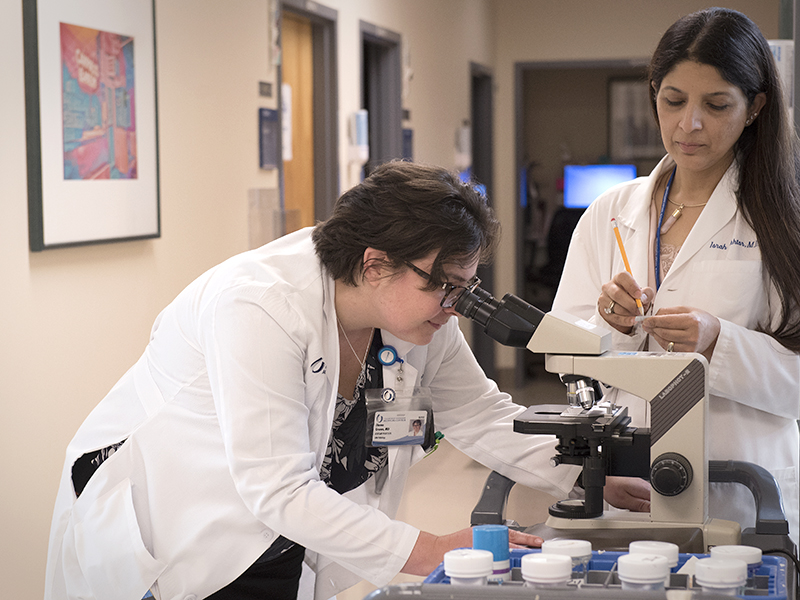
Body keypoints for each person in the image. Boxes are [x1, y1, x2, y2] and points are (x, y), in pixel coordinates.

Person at [44, 161, 648, 600]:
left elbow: (479, 415)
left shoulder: (418, 317)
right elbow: (277, 488)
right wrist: (430, 550)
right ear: (375, 262)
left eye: (465, 290)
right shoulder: (261, 306)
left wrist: (585, 474)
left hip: (280, 536)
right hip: (176, 527)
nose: (454, 307)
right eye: (444, 287)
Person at [553, 7, 800, 544]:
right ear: (654, 94)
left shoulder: (785, 219)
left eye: (716, 105)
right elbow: (565, 352)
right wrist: (607, 328)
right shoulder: (610, 213)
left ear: (755, 107)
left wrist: (720, 344)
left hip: (743, 488)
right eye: (673, 101)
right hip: (629, 483)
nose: (689, 124)